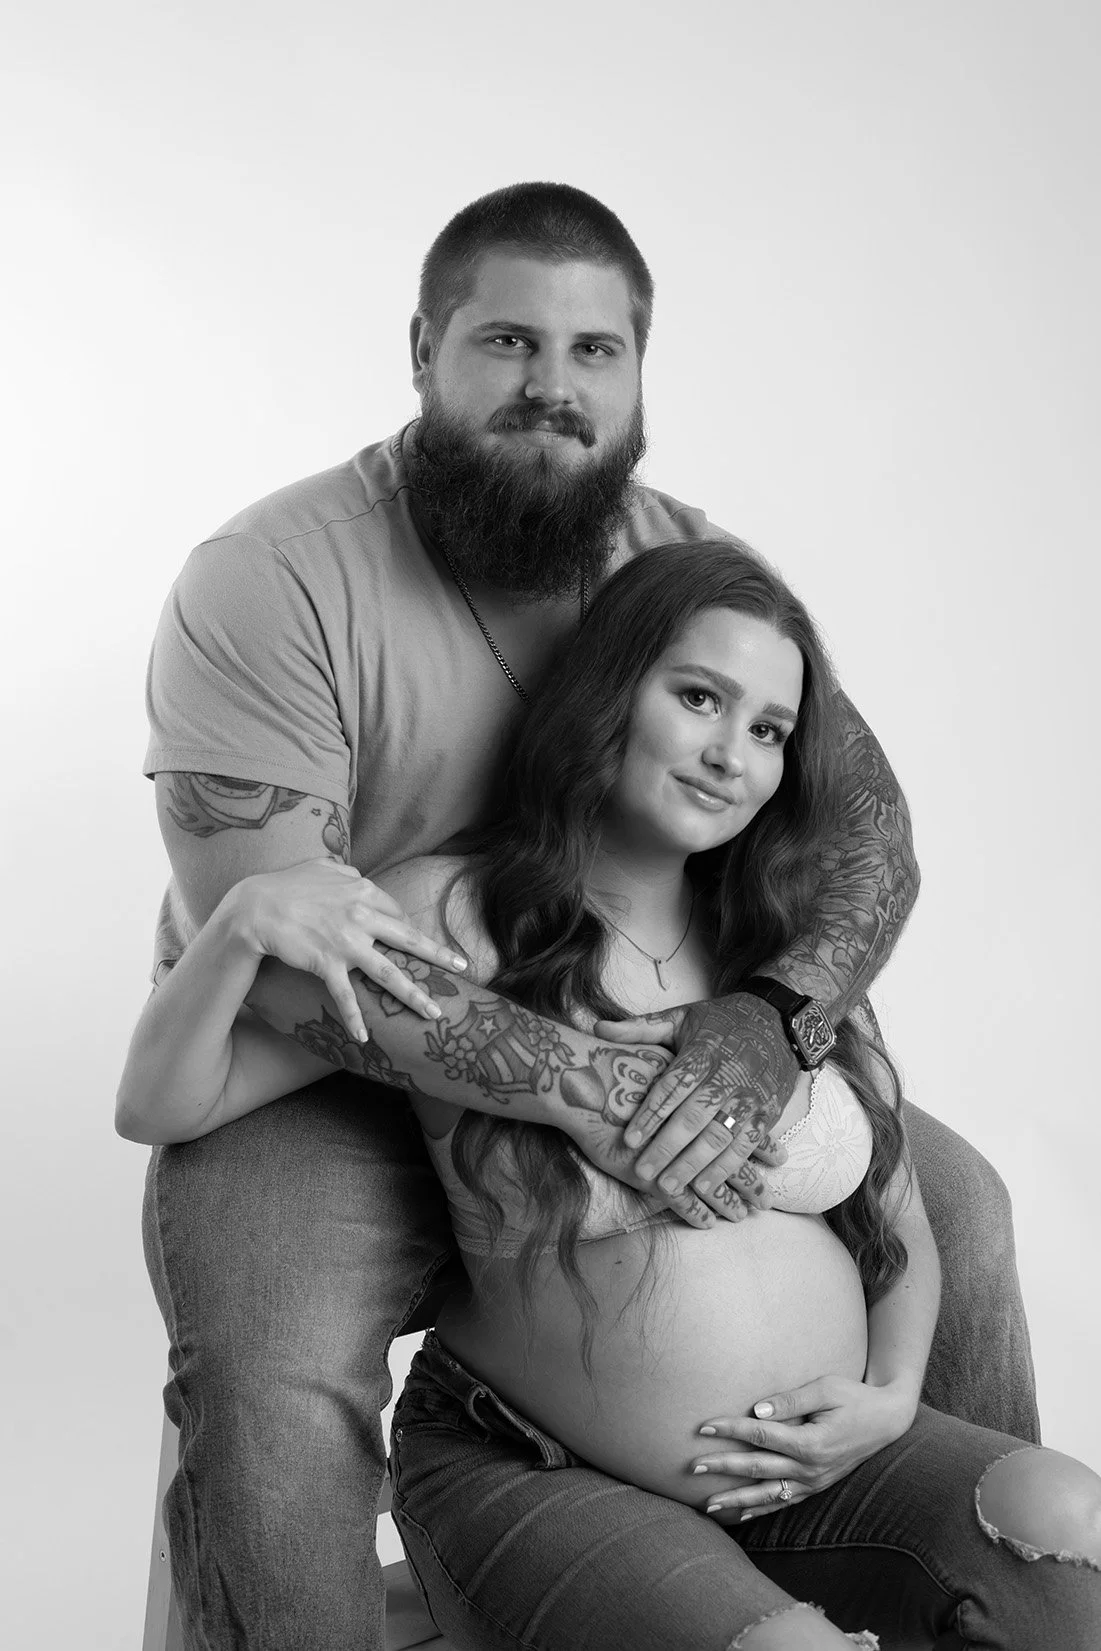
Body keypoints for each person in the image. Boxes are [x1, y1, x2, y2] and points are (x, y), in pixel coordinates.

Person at [133, 181, 1036, 1651]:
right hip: (329, 1073)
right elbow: (288, 962)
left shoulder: (682, 563)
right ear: (424, 347)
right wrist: (583, 1089)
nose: (553, 387)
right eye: (507, 340)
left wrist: (764, 1018)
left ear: (637, 378)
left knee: (965, 1206)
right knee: (269, 1360)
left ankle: (928, 1579)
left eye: (596, 353)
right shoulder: (271, 578)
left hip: (646, 1008)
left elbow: (862, 825)